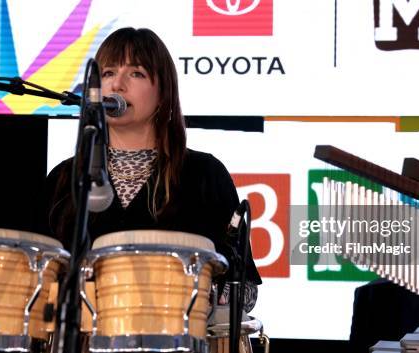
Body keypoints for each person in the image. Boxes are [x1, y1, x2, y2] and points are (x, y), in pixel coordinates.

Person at [33, 27, 261, 311]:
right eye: (108, 73)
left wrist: (203, 297)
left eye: (136, 73)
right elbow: (33, 281)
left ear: (163, 92)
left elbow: (247, 291)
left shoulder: (204, 174)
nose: (117, 85)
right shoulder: (65, 179)